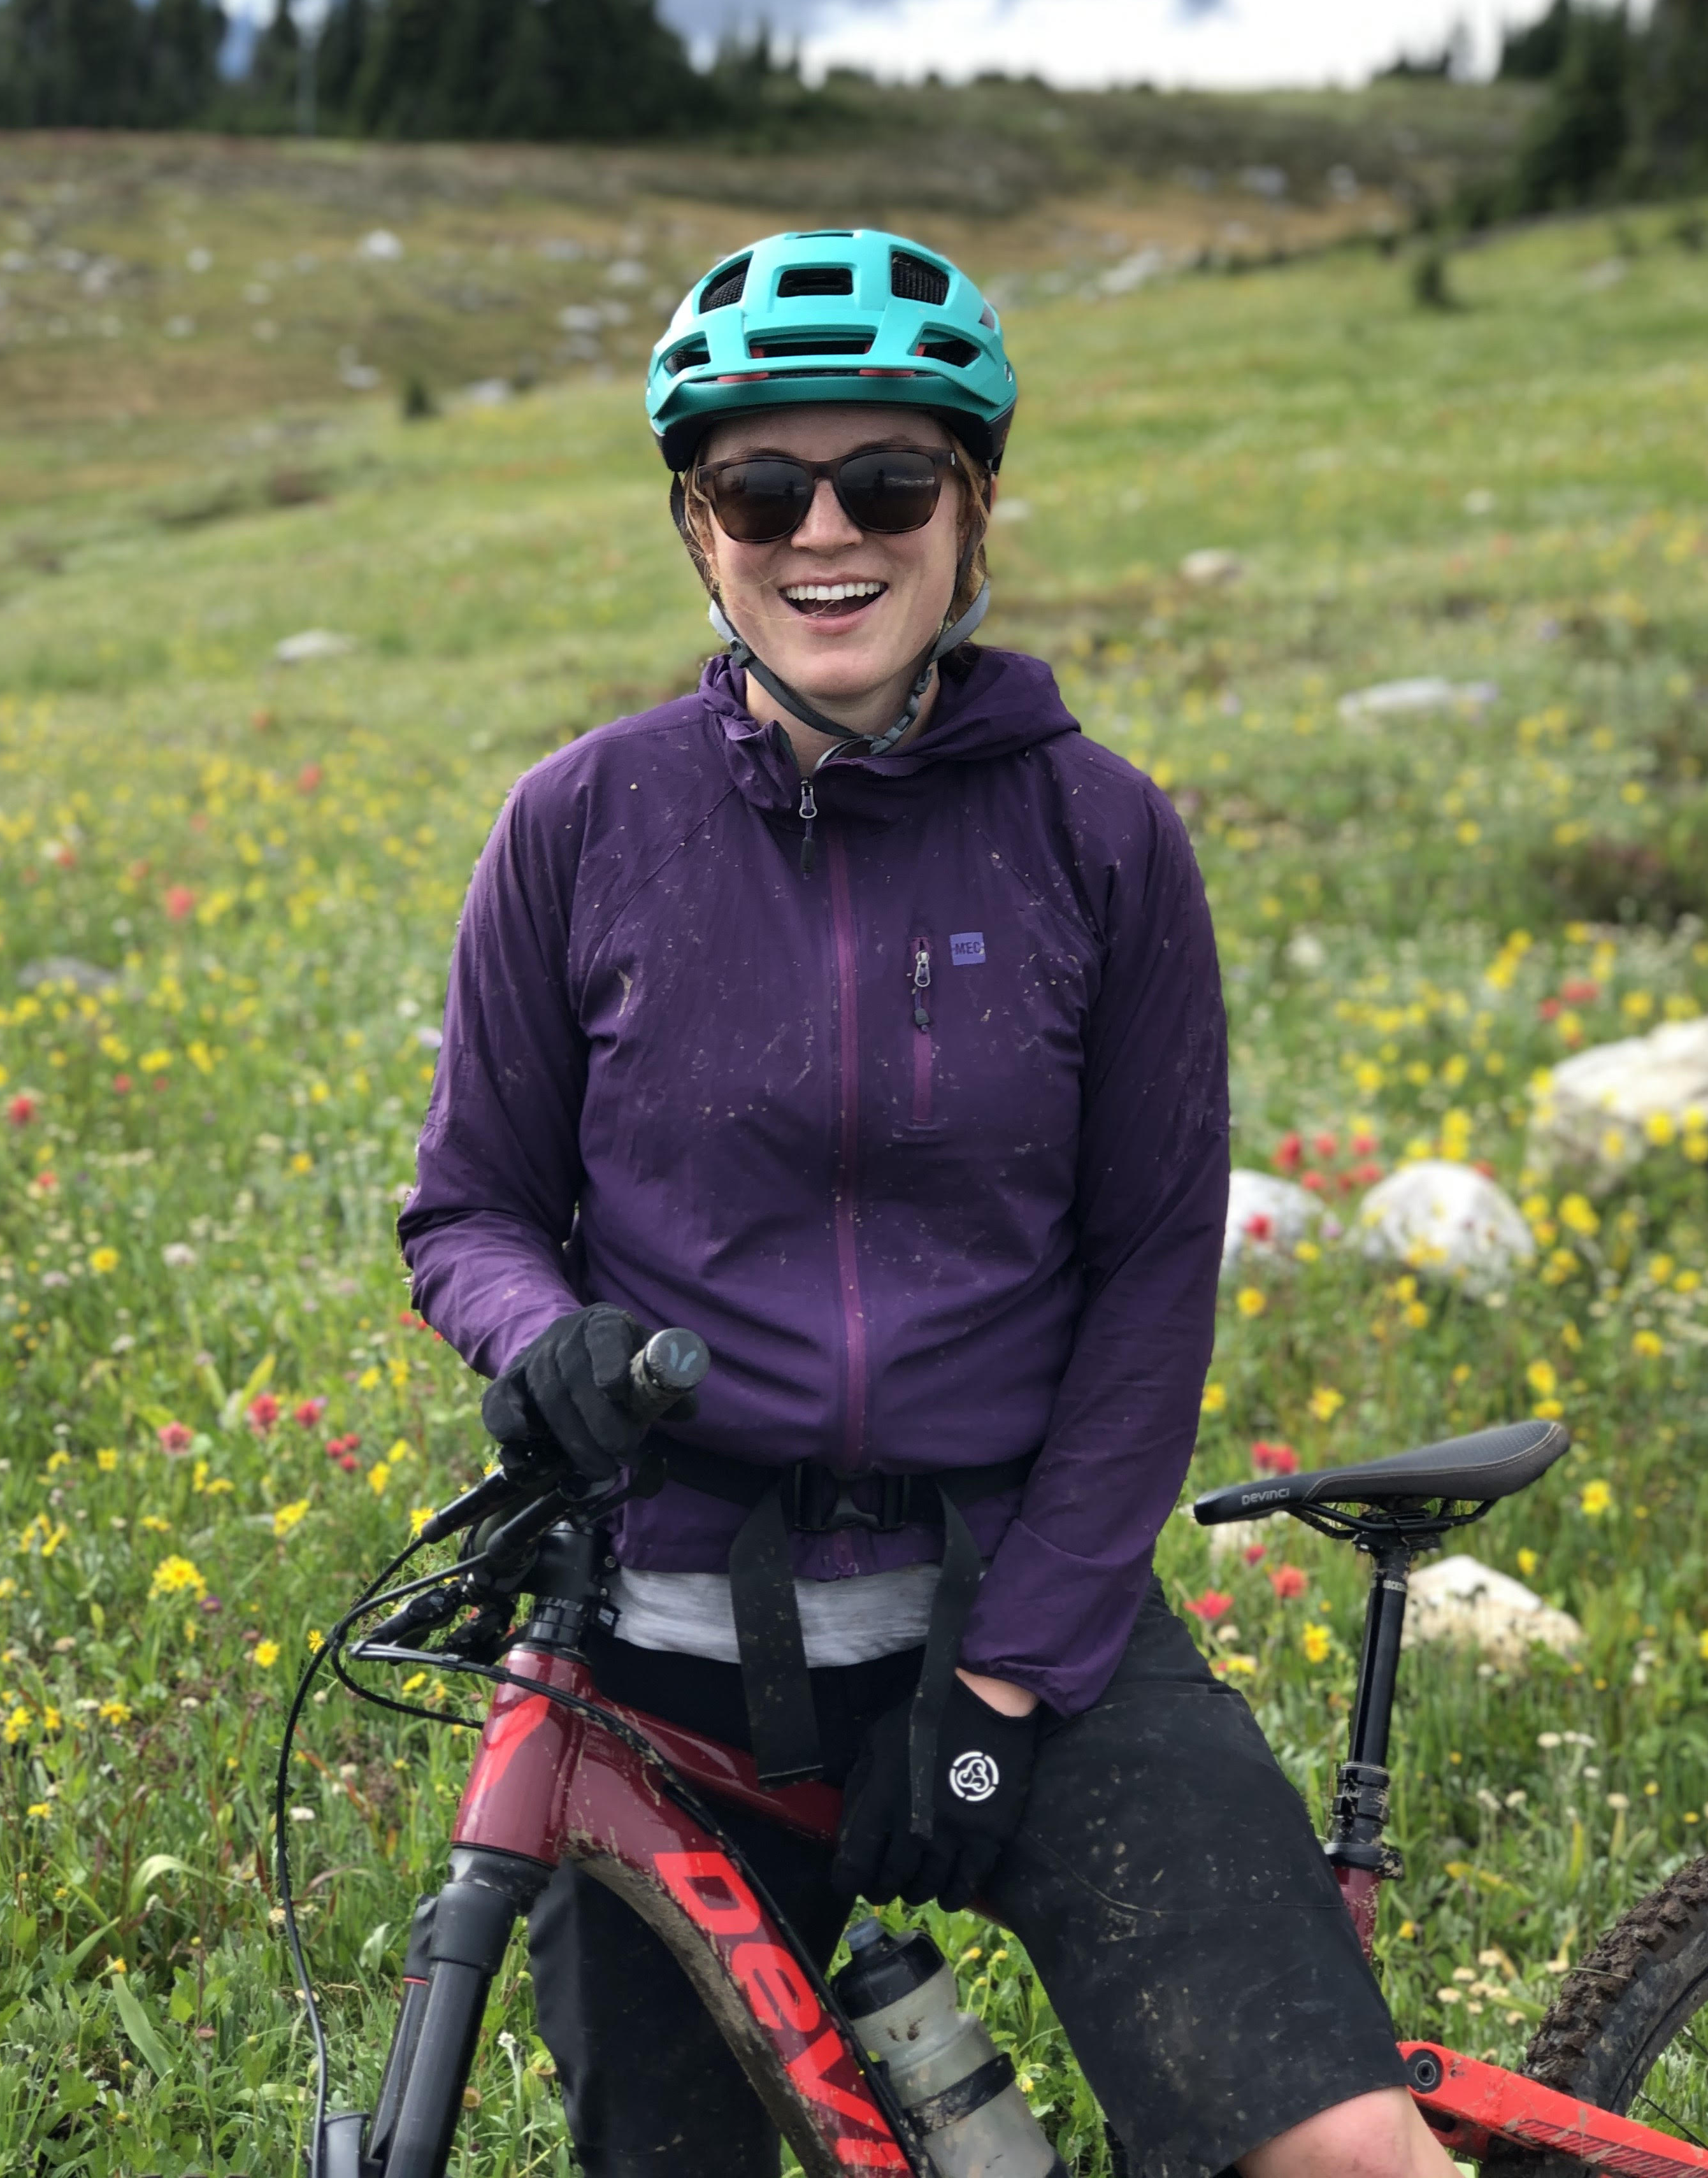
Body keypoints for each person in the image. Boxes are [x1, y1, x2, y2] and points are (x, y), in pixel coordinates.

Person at [399, 229, 1445, 2178]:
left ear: (973, 513)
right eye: (758, 486)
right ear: (695, 526)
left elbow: (1149, 1279)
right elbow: (466, 1209)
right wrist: (545, 1341)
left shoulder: (1100, 835)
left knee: (1345, 2158)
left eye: (887, 482)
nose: (827, 533)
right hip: (664, 1659)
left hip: (1025, 1612)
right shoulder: (579, 827)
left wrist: (1000, 1683)